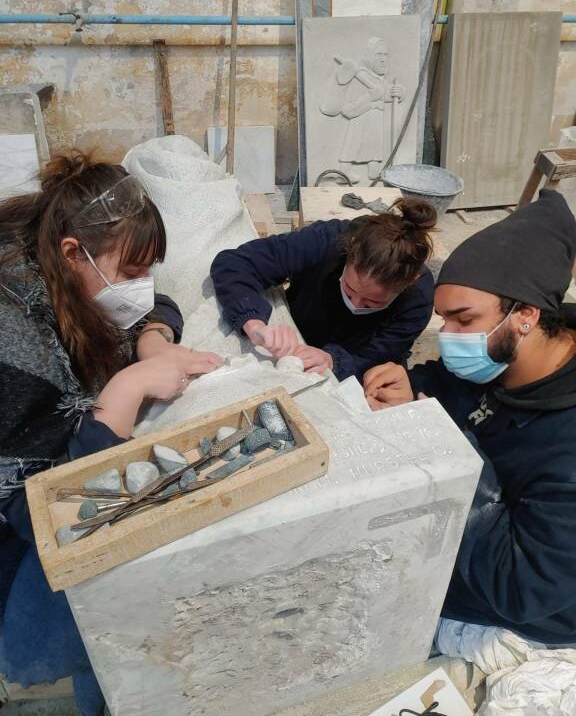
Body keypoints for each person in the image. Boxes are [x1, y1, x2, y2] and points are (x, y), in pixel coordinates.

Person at [0, 151, 223, 715]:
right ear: (73, 254)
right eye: (131, 272)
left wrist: (151, 335)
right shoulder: (15, 346)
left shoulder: (56, 263)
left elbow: (153, 302)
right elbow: (49, 512)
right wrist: (124, 392)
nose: (142, 284)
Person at [364, 189, 576, 646]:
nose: (448, 337)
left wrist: (437, 440)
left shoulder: (566, 446)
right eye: (443, 320)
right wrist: (411, 385)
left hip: (532, 602)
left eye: (463, 320)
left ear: (525, 314)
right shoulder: (501, 356)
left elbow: (521, 586)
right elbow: (447, 381)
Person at [210, 198, 436, 382]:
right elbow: (234, 263)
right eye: (348, 289)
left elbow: (380, 354)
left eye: (371, 303)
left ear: (407, 285)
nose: (355, 304)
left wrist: (334, 361)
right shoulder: (326, 241)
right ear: (348, 253)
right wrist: (254, 322)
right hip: (303, 324)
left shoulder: (419, 298)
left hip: (356, 359)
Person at [320, 37, 407, 182]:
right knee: (352, 146)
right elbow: (348, 110)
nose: (383, 59)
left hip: (375, 124)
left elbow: (385, 93)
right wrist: (369, 98)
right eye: (379, 54)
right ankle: (343, 174)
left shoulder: (378, 79)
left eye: (386, 55)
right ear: (368, 56)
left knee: (374, 146)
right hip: (359, 123)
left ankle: (374, 172)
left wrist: (400, 92)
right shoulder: (358, 79)